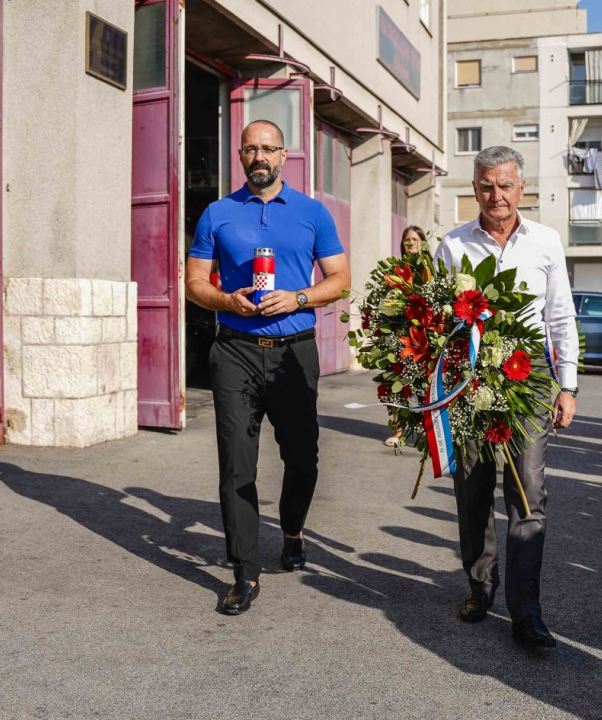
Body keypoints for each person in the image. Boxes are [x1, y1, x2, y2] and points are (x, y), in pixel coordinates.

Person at [183, 119, 351, 616]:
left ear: (284, 156)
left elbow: (339, 279)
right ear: (240, 155)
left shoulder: (312, 213)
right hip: (234, 348)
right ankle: (245, 572)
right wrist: (226, 300)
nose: (259, 157)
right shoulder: (217, 213)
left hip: (294, 350)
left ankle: (293, 531)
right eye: (250, 149)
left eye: (268, 149)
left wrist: (297, 296)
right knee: (237, 462)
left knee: (302, 458)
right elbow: (194, 282)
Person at [434, 146, 579, 649]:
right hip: (470, 376)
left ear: (523, 188)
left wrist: (568, 385)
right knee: (472, 487)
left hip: (531, 374)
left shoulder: (546, 241)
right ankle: (479, 585)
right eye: (486, 186)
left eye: (506, 185)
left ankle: (527, 609)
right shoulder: (451, 245)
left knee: (528, 492)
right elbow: (435, 324)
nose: (496, 196)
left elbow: (561, 317)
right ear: (473, 188)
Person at [385, 226, 433, 447]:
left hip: (427, 332)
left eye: (414, 239)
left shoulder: (431, 268)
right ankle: (399, 431)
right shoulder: (395, 269)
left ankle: (431, 433)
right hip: (401, 330)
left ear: (422, 242)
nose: (411, 243)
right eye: (407, 239)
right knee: (399, 380)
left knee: (426, 384)